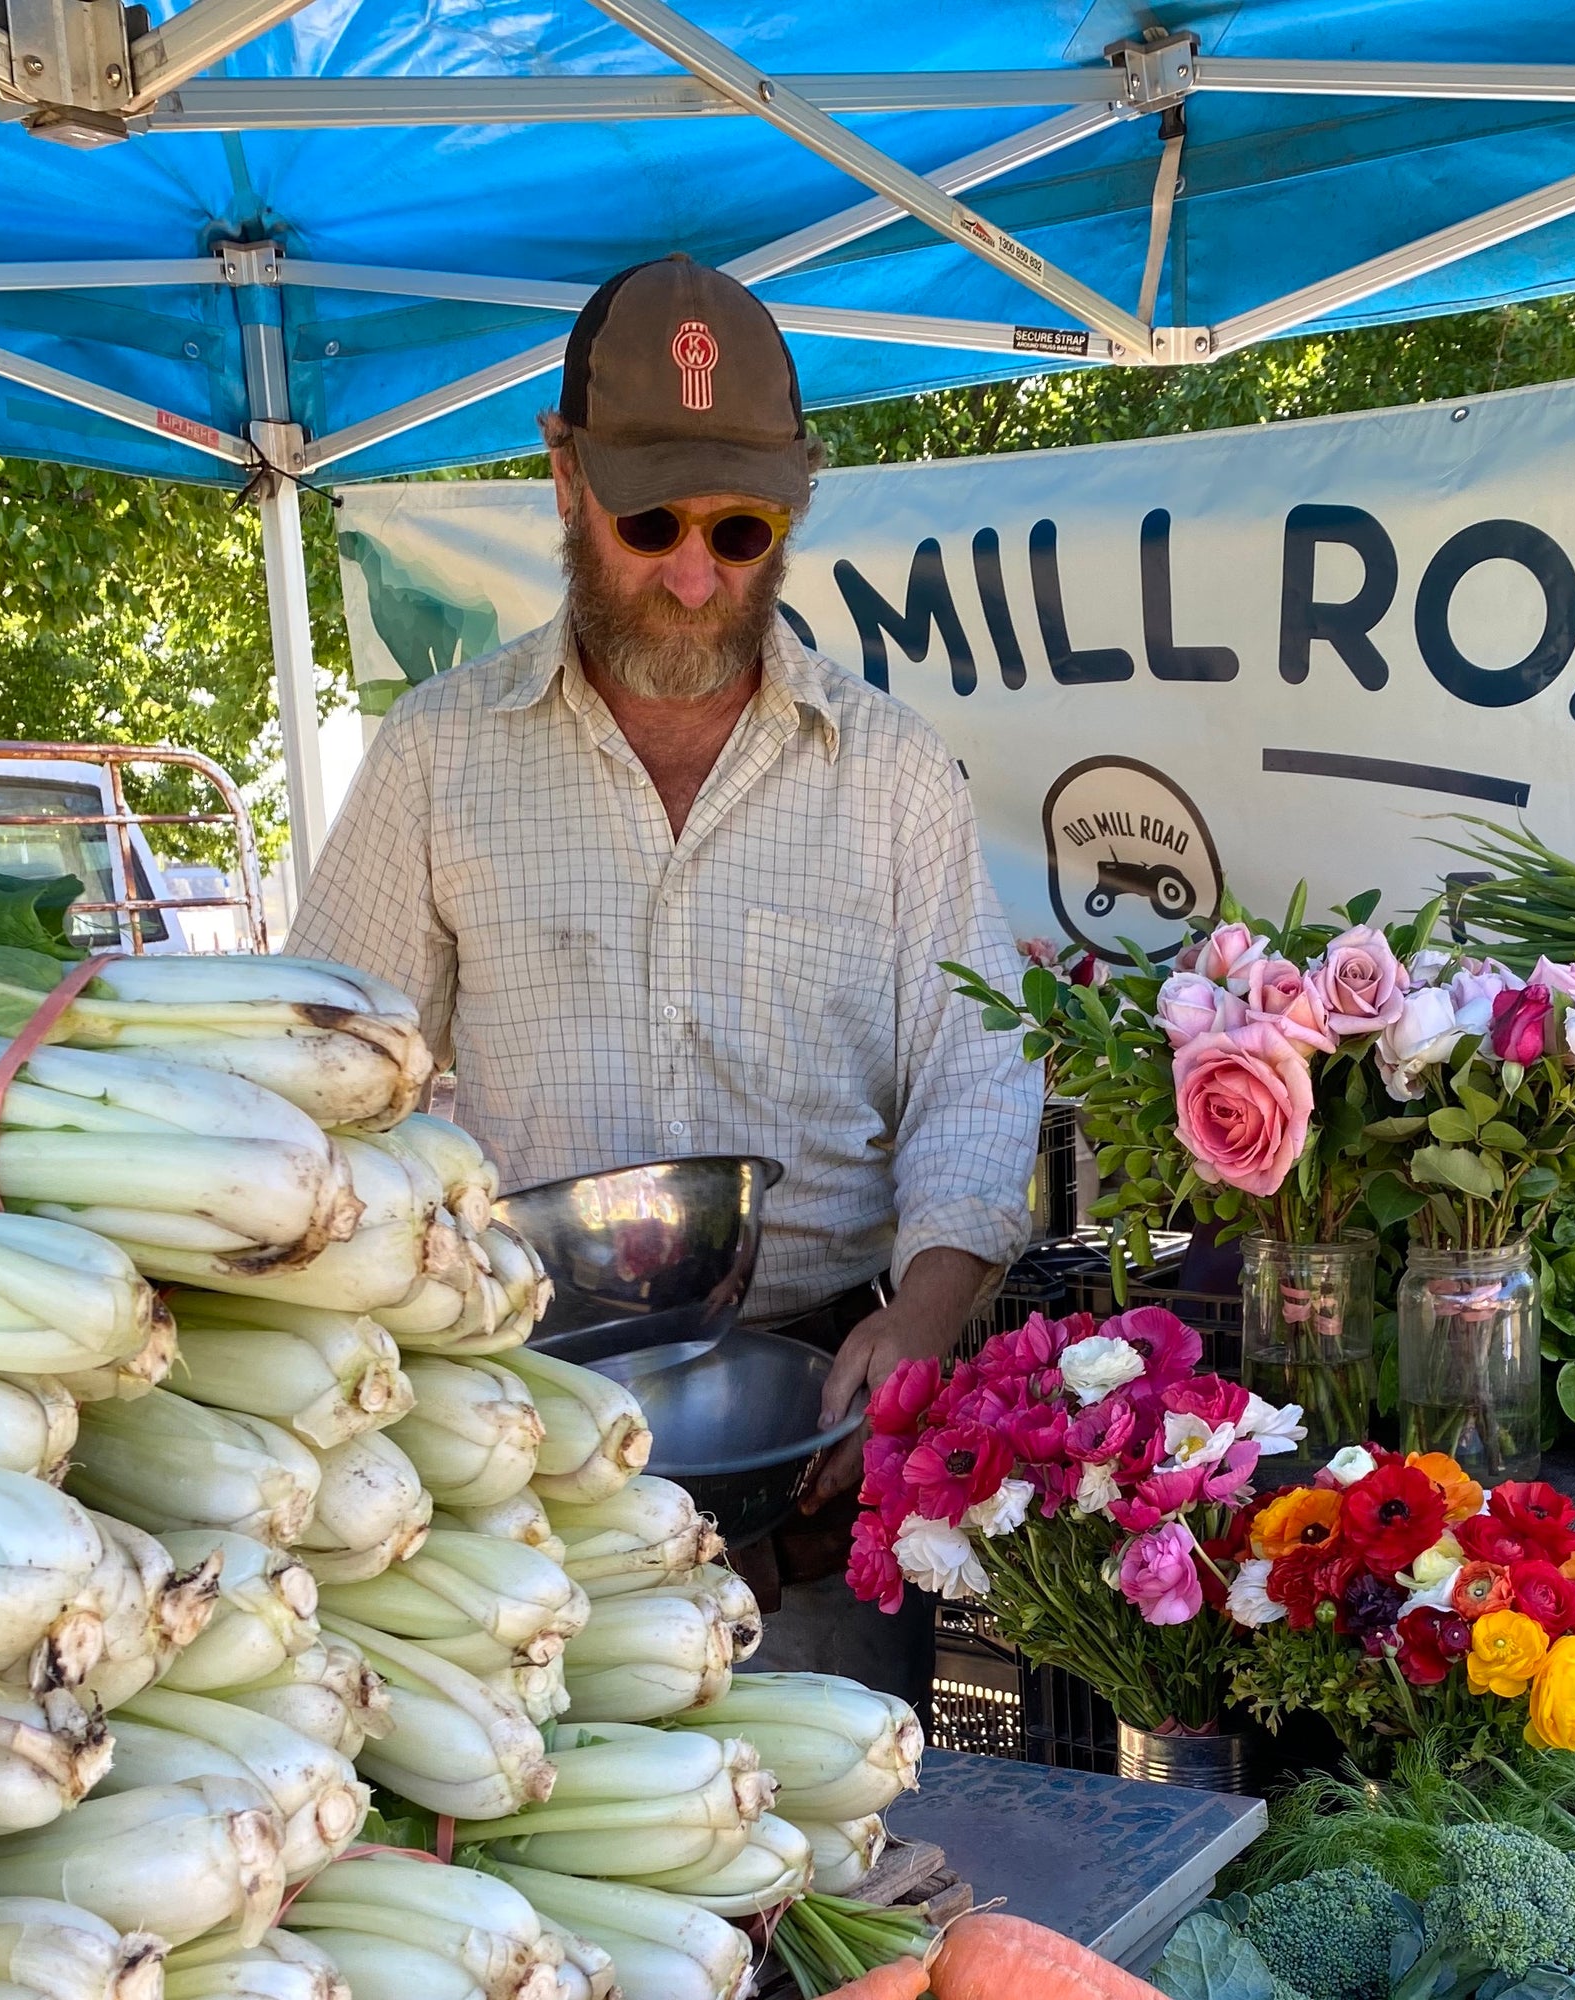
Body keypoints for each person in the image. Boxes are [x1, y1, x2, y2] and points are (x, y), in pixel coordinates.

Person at [285, 252, 1041, 1704]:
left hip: (815, 1435)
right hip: (521, 1438)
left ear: (799, 501)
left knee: (848, 1882)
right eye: (650, 523)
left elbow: (974, 1071)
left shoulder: (888, 774)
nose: (696, 575)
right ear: (563, 477)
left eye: (742, 530)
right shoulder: (440, 757)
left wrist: (926, 1320)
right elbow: (328, 1081)